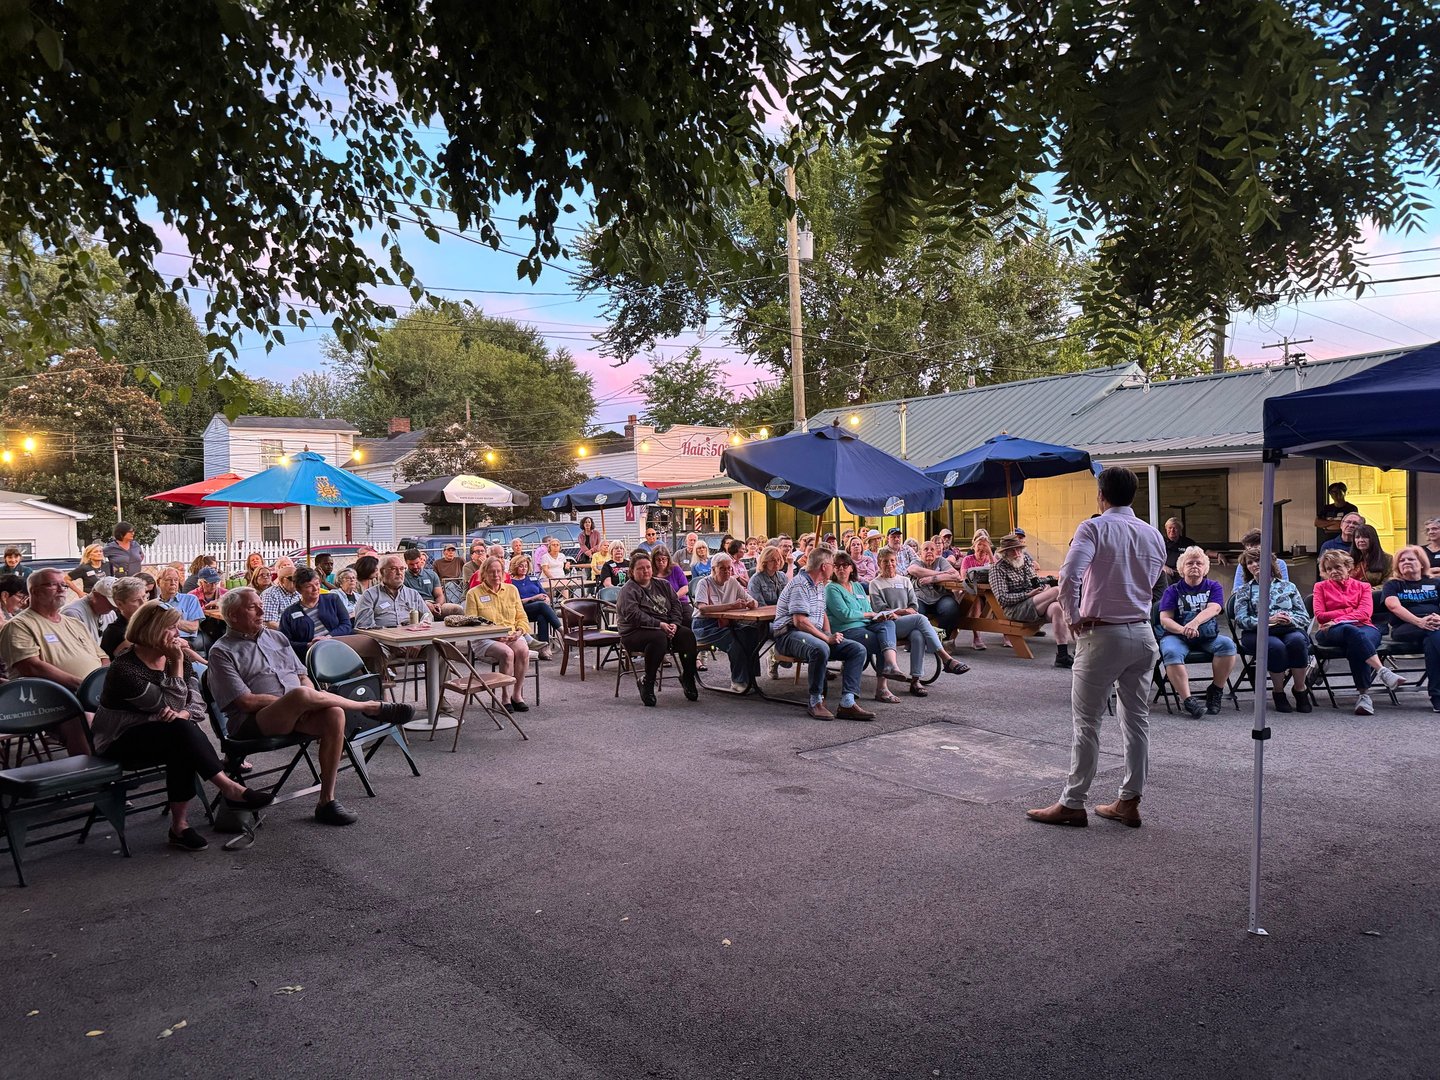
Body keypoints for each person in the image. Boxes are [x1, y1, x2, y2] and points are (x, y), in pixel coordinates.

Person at [1026, 468, 1166, 828]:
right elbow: (1154, 581)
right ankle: (1129, 800)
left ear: (1100, 496)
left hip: (1103, 634)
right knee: (1136, 721)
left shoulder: (1093, 528)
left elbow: (1069, 575)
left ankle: (1073, 802)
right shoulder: (1152, 534)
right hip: (1141, 631)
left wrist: (1072, 615)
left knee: (1087, 723)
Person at [207, 588, 414, 825]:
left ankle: (327, 801)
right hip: (252, 722)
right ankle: (369, 706)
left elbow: (302, 675)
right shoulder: (221, 651)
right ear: (233, 615)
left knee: (334, 713)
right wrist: (297, 701)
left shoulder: (276, 637)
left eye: (260, 605)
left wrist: (306, 700)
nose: (262, 611)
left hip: (298, 712)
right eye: (253, 607)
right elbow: (245, 701)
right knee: (301, 694)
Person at [92, 601, 275, 850]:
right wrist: (177, 664)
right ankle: (229, 790)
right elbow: (170, 702)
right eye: (170, 628)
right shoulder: (125, 669)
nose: (177, 635)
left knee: (182, 735)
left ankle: (181, 826)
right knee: (181, 733)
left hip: (167, 734)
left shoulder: (174, 658)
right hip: (119, 741)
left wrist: (185, 713)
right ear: (150, 630)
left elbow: (196, 704)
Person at [0, 567, 107, 754]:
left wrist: (103, 684)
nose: (61, 589)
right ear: (34, 591)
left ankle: (122, 766)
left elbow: (103, 658)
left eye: (63, 585)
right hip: (51, 696)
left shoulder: (74, 623)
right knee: (84, 716)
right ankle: (92, 776)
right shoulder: (20, 625)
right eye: (53, 585)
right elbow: (31, 667)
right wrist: (83, 686)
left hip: (93, 691)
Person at [771, 547, 874, 721]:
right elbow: (799, 621)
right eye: (833, 564)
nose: (835, 568)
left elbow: (823, 612)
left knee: (857, 649)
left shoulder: (819, 584)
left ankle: (848, 703)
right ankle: (815, 701)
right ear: (824, 566)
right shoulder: (800, 584)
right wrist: (826, 638)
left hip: (811, 633)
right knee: (820, 648)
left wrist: (827, 633)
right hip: (788, 635)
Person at [1312, 550, 1405, 715]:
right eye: (1329, 569)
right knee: (1351, 630)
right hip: (1329, 631)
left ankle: (1364, 697)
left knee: (1357, 640)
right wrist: (1349, 611)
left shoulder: (1363, 586)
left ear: (1348, 567)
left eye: (1337, 567)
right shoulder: (1320, 587)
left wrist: (1337, 617)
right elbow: (1320, 615)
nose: (1333, 571)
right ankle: (1381, 671)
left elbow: (1365, 613)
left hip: (1364, 627)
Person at [868, 546, 969, 694]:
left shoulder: (905, 581)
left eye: (892, 561)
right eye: (885, 562)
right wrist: (902, 611)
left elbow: (914, 606)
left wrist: (901, 612)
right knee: (920, 619)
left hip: (906, 621)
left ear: (896, 561)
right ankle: (945, 658)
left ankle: (916, 680)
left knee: (918, 635)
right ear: (879, 563)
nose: (889, 564)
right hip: (887, 625)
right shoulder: (875, 584)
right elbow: (880, 609)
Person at [1155, 547, 1238, 719]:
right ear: (1182, 568)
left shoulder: (1213, 586)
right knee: (1170, 652)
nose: (1194, 566)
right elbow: (1165, 619)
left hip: (1206, 636)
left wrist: (1194, 623)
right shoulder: (1172, 590)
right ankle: (1188, 700)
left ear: (1205, 568)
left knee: (1228, 645)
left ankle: (1216, 690)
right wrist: (1183, 629)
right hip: (1176, 636)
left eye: (1199, 563)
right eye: (1190, 563)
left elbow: (1215, 608)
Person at [1231, 551, 1314, 713]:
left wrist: (1289, 618)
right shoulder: (1243, 590)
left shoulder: (1288, 586)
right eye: (1250, 563)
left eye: (1258, 560)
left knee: (1297, 641)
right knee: (1276, 647)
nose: (1255, 565)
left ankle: (1300, 689)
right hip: (1257, 632)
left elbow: (1304, 616)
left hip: (1288, 627)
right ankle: (1278, 692)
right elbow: (1241, 619)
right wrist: (1268, 620)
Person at [615, 551, 699, 707]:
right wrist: (659, 625)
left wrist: (674, 623)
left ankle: (688, 676)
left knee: (687, 636)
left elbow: (676, 605)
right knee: (658, 638)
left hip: (665, 626)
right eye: (641, 568)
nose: (646, 571)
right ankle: (647, 681)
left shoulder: (663, 584)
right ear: (632, 572)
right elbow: (633, 615)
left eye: (648, 567)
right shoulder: (628, 590)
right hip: (634, 632)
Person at [825, 553, 912, 704]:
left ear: (851, 568)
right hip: (846, 630)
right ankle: (882, 688)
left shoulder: (857, 586)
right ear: (833, 569)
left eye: (845, 565)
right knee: (880, 642)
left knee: (888, 624)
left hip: (865, 625)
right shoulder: (831, 588)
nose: (841, 569)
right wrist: (869, 614)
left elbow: (866, 607)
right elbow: (845, 615)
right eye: (837, 566)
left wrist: (879, 616)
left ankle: (892, 666)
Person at [990, 532, 1074, 666]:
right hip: (1014, 609)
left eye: (1019, 549)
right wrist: (1028, 595)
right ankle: (1078, 626)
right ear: (1005, 553)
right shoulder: (997, 568)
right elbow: (1002, 599)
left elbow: (1035, 583)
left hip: (1033, 602)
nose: (1017, 553)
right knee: (1057, 590)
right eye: (1012, 550)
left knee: (1057, 608)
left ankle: (1062, 655)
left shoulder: (1026, 561)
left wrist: (1044, 587)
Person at [462, 557, 533, 712]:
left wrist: (520, 631)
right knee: (507, 653)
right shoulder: (474, 593)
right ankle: (505, 696)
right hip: (485, 638)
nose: (496, 575)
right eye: (491, 571)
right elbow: (472, 622)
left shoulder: (511, 590)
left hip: (511, 634)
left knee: (523, 650)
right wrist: (494, 635)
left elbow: (522, 617)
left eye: (499, 571)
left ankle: (517, 695)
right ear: (484, 573)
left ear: (503, 573)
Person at [691, 553, 764, 693]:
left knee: (751, 633)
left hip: (727, 622)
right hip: (705, 625)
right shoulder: (704, 583)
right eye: (722, 568)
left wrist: (751, 603)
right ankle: (738, 681)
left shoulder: (732, 582)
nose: (727, 571)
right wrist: (731, 606)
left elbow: (752, 600)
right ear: (713, 569)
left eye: (729, 568)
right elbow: (703, 608)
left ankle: (751, 678)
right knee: (736, 642)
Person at [1382, 546, 1440, 714]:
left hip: (1434, 627)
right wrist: (1419, 621)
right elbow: (1393, 606)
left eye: (1411, 559)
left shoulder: (1435, 583)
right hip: (1405, 628)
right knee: (1434, 633)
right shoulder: (1393, 585)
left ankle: (1437, 697)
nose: (1406, 562)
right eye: (1402, 560)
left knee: (1432, 641)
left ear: (1421, 564)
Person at [280, 566, 355, 660]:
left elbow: (346, 625)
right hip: (311, 657)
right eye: (309, 586)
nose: (315, 588)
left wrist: (328, 638)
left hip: (339, 648)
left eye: (317, 584)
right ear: (299, 589)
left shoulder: (333, 600)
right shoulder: (289, 613)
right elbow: (285, 642)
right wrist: (308, 645)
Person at [353, 553, 429, 628]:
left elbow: (427, 616)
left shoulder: (413, 594)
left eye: (402, 569)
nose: (399, 573)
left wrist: (423, 624)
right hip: (383, 638)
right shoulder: (369, 595)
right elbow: (363, 625)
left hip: (411, 635)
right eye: (393, 569)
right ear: (382, 572)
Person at [907, 541, 964, 642]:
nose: (929, 551)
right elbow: (913, 570)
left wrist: (932, 579)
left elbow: (955, 575)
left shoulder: (941, 561)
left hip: (941, 596)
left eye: (932, 549)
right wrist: (942, 573)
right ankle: (918, 640)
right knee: (916, 611)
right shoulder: (917, 562)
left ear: (937, 552)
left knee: (951, 608)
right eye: (926, 549)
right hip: (921, 597)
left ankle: (940, 639)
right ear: (920, 553)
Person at [509, 553, 560, 660]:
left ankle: (543, 648)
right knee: (541, 606)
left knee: (542, 616)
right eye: (521, 566)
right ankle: (561, 630)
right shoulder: (511, 582)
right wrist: (534, 598)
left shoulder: (532, 578)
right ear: (515, 566)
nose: (524, 569)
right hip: (522, 610)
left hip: (538, 609)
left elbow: (544, 594)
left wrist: (547, 599)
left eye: (526, 566)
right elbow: (515, 602)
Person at [154, 566, 206, 651]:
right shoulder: (154, 604)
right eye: (168, 579)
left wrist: (168, 620)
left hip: (186, 639)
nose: (173, 583)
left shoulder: (190, 599)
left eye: (176, 580)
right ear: (158, 582)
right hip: (162, 640)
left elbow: (193, 627)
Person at [101, 577, 149, 659]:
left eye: (144, 597)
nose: (143, 603)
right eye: (135, 600)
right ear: (119, 604)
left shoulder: (152, 620)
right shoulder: (113, 633)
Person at [1230, 528, 1289, 595]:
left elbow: (1285, 588)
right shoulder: (1244, 564)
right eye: (1248, 549)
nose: (1251, 552)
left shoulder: (1280, 563)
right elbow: (1237, 590)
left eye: (1255, 547)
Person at [62, 576, 116, 644]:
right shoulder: (73, 614)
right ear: (96, 596)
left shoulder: (111, 613)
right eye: (110, 603)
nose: (114, 607)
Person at [404, 547, 447, 618]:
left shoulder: (432, 574)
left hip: (434, 604)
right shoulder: (403, 578)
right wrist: (424, 604)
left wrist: (438, 604)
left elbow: (439, 595)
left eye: (417, 563)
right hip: (414, 607)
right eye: (411, 564)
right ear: (406, 562)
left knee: (456, 609)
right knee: (427, 611)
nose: (415, 566)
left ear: (420, 559)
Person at [650, 546, 691, 617]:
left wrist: (673, 598)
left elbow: (685, 587)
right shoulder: (650, 572)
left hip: (680, 602)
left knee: (690, 619)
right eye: (658, 560)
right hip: (658, 606)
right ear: (653, 560)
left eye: (664, 559)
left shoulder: (675, 569)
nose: (661, 562)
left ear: (668, 559)